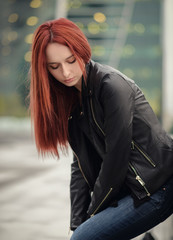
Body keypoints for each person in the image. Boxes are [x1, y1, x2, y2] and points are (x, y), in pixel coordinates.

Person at [29, 18, 173, 240]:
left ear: (82, 51)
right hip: (130, 189)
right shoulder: (70, 99)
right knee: (81, 234)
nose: (66, 72)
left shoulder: (111, 86)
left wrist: (92, 214)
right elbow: (79, 164)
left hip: (157, 187)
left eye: (70, 60)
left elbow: (117, 155)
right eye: (54, 67)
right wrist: (77, 222)